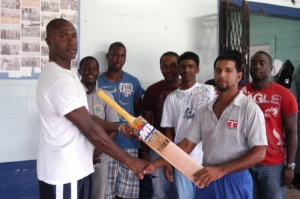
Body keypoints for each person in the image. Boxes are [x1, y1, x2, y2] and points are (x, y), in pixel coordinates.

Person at [36, 18, 147, 199]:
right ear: (48, 41)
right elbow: (88, 127)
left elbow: (85, 117)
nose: (71, 41)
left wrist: (118, 127)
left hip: (75, 169)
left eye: (74, 36)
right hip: (64, 173)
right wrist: (130, 161)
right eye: (63, 36)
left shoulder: (68, 75)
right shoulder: (58, 79)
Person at [144, 52, 268, 199]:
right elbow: (186, 145)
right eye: (218, 70)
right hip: (207, 177)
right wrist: (156, 164)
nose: (222, 75)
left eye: (228, 70)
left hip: (234, 180)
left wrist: (221, 170)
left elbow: (260, 152)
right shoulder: (204, 111)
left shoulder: (249, 109)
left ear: (239, 76)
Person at [239, 51, 298, 199]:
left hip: (273, 164)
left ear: (271, 68)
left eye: (261, 63)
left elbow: (291, 131)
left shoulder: (285, 94)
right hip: (243, 161)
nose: (257, 66)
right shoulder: (240, 93)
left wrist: (290, 165)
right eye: (253, 63)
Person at [158, 51, 215, 199]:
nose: (187, 70)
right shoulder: (171, 98)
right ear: (178, 69)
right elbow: (169, 132)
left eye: (191, 66)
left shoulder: (210, 91)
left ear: (198, 69)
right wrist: (168, 161)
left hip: (208, 158)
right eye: (183, 66)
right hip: (182, 159)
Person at [97, 42, 144, 199]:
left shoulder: (133, 82)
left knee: (127, 194)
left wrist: (141, 143)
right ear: (107, 56)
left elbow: (139, 112)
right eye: (115, 54)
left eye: (122, 55)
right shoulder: (97, 82)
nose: (118, 58)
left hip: (129, 145)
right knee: (105, 193)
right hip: (106, 144)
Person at [78, 56, 119, 199]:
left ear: (98, 71)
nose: (91, 71)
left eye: (94, 68)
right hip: (76, 155)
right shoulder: (73, 95)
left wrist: (99, 149)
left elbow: (114, 128)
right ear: (79, 71)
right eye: (86, 68)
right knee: (76, 194)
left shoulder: (106, 96)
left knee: (98, 195)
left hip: (100, 156)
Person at [142, 51, 181, 199]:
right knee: (159, 193)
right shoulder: (152, 90)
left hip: (184, 146)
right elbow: (146, 123)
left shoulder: (188, 89)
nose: (169, 70)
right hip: (157, 146)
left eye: (173, 66)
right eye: (165, 66)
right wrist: (145, 151)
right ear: (160, 67)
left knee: (183, 192)